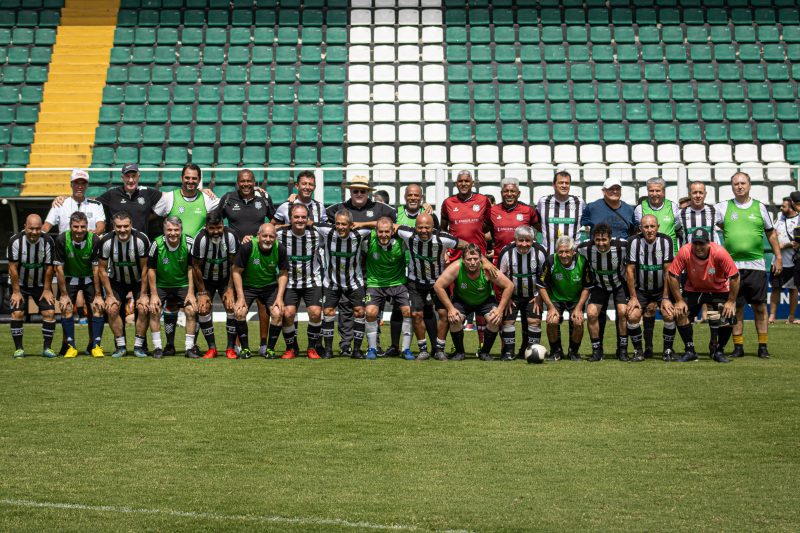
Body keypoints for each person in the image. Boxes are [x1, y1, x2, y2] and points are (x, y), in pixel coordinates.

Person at [325, 175, 396, 356]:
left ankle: (374, 343)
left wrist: (364, 224)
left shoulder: (381, 208)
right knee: (346, 307)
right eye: (355, 190)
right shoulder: (336, 209)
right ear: (350, 191)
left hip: (372, 268)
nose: (358, 194)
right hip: (345, 270)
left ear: (368, 193)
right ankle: (346, 344)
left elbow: (393, 223)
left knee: (373, 309)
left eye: (362, 191)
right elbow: (314, 218)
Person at [715, 172, 782, 358]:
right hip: (732, 267)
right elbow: (718, 223)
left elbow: (771, 234)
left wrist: (778, 257)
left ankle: (762, 346)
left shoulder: (760, 208)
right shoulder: (723, 207)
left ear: (749, 185)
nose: (739, 186)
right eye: (736, 183)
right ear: (732, 186)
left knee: (760, 306)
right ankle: (738, 347)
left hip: (757, 266)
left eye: (743, 183)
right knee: (736, 307)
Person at [219, 169, 277, 357]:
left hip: (261, 255)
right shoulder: (228, 198)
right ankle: (238, 344)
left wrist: (262, 238)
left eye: (249, 181)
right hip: (238, 257)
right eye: (242, 181)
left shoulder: (263, 200)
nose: (246, 184)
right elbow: (216, 222)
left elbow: (275, 219)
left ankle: (262, 343)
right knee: (240, 302)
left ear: (254, 182)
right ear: (237, 182)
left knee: (263, 305)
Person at [396, 214, 468, 361]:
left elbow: (466, 245)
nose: (423, 230)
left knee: (443, 314)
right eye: (420, 227)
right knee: (416, 315)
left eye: (427, 227)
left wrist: (483, 261)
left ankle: (439, 349)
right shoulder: (408, 234)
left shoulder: (442, 238)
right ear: (415, 228)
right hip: (415, 281)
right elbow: (389, 226)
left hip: (438, 283)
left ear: (433, 228)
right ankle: (423, 350)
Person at [668, 228, 740, 363]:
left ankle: (718, 350)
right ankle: (690, 350)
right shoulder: (685, 251)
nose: (698, 247)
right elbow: (672, 275)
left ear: (708, 243)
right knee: (679, 312)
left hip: (718, 289)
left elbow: (735, 277)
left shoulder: (719, 252)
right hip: (694, 289)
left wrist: (731, 302)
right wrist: (679, 300)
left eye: (701, 244)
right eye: (695, 243)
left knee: (729, 316)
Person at [434, 243, 514, 361]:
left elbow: (509, 285)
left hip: (485, 300)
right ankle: (459, 352)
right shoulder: (456, 267)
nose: (472, 262)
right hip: (462, 301)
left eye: (476, 259)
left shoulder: (487, 269)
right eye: (469, 259)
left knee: (495, 320)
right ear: (463, 259)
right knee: (454, 319)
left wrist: (500, 310)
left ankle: (485, 352)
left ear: (480, 258)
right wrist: (450, 309)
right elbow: (438, 286)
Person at [313, 209, 372, 359]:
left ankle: (357, 350)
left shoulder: (360, 233)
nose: (340, 227)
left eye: (344, 224)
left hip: (354, 281)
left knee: (360, 312)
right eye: (338, 223)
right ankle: (328, 350)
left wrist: (362, 223)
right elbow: (305, 222)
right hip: (331, 282)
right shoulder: (327, 231)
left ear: (351, 224)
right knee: (328, 313)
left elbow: (381, 223)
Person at [96, 211, 151, 358]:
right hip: (117, 281)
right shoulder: (106, 241)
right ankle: (120, 347)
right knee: (112, 308)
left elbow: (146, 268)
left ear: (131, 225)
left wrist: (144, 294)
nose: (122, 230)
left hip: (139, 281)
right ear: (113, 226)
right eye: (118, 226)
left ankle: (139, 347)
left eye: (125, 226)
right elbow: (101, 269)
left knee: (143, 308)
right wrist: (108, 295)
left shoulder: (140, 239)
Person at [360, 217, 415, 360]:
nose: (383, 235)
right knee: (371, 312)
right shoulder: (367, 242)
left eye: (387, 231)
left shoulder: (402, 243)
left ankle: (406, 349)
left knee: (408, 312)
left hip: (398, 283)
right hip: (375, 284)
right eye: (380, 231)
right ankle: (372, 349)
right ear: (375, 231)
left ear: (392, 231)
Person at [231, 223, 288, 359]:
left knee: (278, 312)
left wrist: (279, 298)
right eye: (265, 236)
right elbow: (236, 271)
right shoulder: (248, 247)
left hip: (269, 286)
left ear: (276, 237)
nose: (268, 239)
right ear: (258, 236)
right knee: (240, 311)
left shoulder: (280, 248)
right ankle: (245, 349)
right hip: (248, 286)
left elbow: (284, 273)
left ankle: (269, 349)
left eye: (271, 236)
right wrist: (240, 297)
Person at [625, 215, 676, 362]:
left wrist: (666, 297)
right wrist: (633, 297)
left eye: (652, 226)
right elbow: (630, 271)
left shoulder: (666, 241)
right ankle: (638, 351)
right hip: (641, 290)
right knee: (633, 315)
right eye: (646, 227)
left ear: (658, 227)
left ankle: (667, 351)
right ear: (640, 228)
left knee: (669, 314)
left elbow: (668, 271)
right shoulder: (633, 241)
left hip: (661, 289)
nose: (649, 230)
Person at [53, 212, 104, 358]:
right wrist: (63, 295)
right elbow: (59, 269)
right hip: (70, 277)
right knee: (66, 308)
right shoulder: (62, 239)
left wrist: (99, 295)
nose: (79, 230)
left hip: (89, 277)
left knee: (97, 307)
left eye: (83, 226)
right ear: (70, 226)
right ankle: (70, 346)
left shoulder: (94, 239)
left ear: (87, 226)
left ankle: (95, 346)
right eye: (76, 226)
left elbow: (96, 269)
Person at [537, 235, 595, 361]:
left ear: (573, 252)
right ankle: (556, 351)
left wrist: (579, 308)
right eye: (560, 251)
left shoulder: (582, 261)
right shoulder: (551, 261)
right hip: (556, 298)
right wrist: (551, 307)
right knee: (552, 320)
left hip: (576, 299)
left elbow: (587, 286)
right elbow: (541, 286)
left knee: (578, 321)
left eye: (567, 251)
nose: (564, 255)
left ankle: (573, 352)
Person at [191, 210, 240, 359]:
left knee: (231, 306)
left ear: (223, 225)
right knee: (203, 308)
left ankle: (231, 348)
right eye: (212, 228)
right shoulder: (200, 239)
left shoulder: (230, 236)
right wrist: (202, 293)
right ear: (206, 226)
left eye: (218, 227)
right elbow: (196, 267)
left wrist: (230, 288)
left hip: (226, 278)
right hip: (206, 279)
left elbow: (234, 264)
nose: (216, 232)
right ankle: (212, 348)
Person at [577, 223, 630, 362]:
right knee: (591, 313)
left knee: (623, 312)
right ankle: (597, 351)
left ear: (610, 238)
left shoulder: (622, 246)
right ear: (593, 239)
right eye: (597, 240)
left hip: (619, 284)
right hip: (599, 285)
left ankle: (622, 350)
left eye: (604, 240)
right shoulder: (584, 248)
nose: (601, 243)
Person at [278, 204, 324, 359]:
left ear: (308, 219)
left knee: (315, 313)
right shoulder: (280, 234)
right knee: (288, 313)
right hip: (290, 282)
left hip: (312, 281)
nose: (300, 220)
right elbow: (264, 232)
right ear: (290, 218)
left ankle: (312, 348)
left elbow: (335, 230)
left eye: (303, 217)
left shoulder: (317, 234)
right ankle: (292, 348)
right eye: (296, 217)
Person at [7, 214, 57, 358]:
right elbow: (13, 268)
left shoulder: (48, 241)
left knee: (49, 313)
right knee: (17, 313)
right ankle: (19, 349)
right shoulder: (15, 241)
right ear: (25, 227)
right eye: (31, 229)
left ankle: (47, 348)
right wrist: (16, 292)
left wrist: (47, 289)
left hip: (40, 284)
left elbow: (49, 267)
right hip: (19, 284)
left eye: (37, 229)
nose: (34, 232)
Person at [147, 217, 197, 358]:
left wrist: (191, 292)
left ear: (181, 230)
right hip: (161, 284)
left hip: (183, 284)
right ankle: (157, 348)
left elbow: (191, 268)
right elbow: (151, 269)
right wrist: (154, 294)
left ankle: (189, 348)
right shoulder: (156, 244)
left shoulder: (189, 243)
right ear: (164, 230)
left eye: (176, 230)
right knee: (155, 310)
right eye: (169, 230)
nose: (173, 233)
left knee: (191, 310)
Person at [498, 225, 547, 361]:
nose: (524, 244)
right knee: (508, 322)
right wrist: (506, 297)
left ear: (533, 240)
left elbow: (545, 276)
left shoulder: (541, 252)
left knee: (534, 321)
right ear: (515, 240)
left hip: (534, 295)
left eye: (528, 241)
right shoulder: (506, 252)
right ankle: (508, 353)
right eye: (521, 240)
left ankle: (531, 352)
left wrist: (539, 297)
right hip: (512, 295)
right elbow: (500, 277)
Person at [152, 164, 220, 239]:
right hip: (176, 249)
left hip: (198, 248)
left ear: (199, 180)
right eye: (187, 178)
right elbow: (152, 218)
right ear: (181, 178)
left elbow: (227, 203)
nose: (190, 181)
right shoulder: (169, 197)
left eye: (194, 178)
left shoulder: (207, 199)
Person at [488, 177, 540, 262]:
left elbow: (543, 230)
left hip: (523, 259)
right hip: (499, 259)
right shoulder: (492, 211)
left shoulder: (528, 210)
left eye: (513, 191)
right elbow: (482, 232)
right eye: (506, 191)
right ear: (501, 193)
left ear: (518, 193)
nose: (509, 194)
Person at [43, 169, 106, 234]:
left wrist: (94, 233)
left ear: (87, 186)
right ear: (71, 184)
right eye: (76, 183)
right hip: (65, 243)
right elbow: (46, 226)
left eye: (83, 183)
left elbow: (101, 226)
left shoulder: (96, 205)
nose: (80, 186)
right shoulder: (60, 203)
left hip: (89, 243)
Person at [536, 170, 583, 255]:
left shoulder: (579, 202)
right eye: (561, 183)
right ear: (554, 185)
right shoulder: (543, 201)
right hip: (549, 255)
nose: (564, 186)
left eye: (567, 183)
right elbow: (536, 220)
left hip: (573, 255)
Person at [769, 197, 799, 324]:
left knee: (793, 290)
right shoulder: (779, 218)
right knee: (776, 288)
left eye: (784, 206)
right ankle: (772, 316)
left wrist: (784, 245)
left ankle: (791, 317)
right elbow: (773, 234)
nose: (781, 208)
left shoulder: (798, 219)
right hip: (776, 261)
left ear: (791, 208)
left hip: (792, 262)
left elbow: (797, 243)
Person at [634, 177, 683, 255]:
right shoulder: (639, 209)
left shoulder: (673, 206)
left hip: (671, 254)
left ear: (663, 191)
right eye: (651, 191)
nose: (654, 194)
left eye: (657, 191)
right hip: (648, 255)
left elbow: (676, 227)